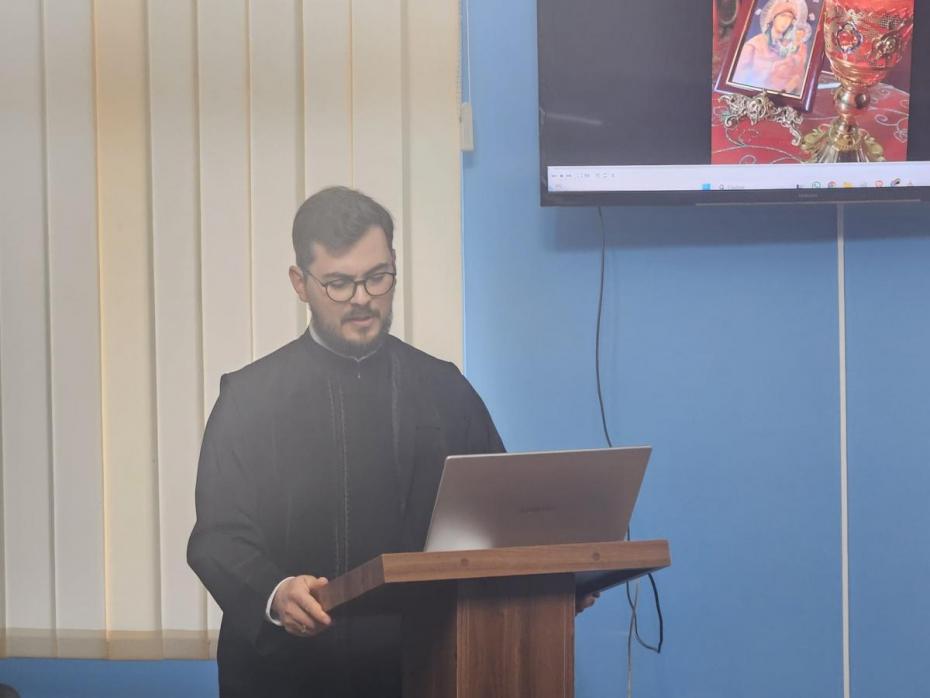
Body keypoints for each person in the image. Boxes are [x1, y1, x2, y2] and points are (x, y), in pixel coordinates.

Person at [187, 187, 506, 697]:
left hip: (422, 666)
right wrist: (274, 592)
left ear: (394, 264)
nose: (361, 298)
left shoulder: (445, 389)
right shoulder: (249, 399)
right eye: (338, 283)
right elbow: (218, 536)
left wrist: (551, 579)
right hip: (288, 674)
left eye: (377, 277)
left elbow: (498, 515)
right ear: (300, 283)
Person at [732, 0, 811, 95]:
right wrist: (772, 68)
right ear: (773, 17)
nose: (785, 21)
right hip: (753, 96)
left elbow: (799, 78)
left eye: (790, 17)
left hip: (784, 98)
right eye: (782, 16)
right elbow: (740, 79)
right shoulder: (753, 45)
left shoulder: (795, 48)